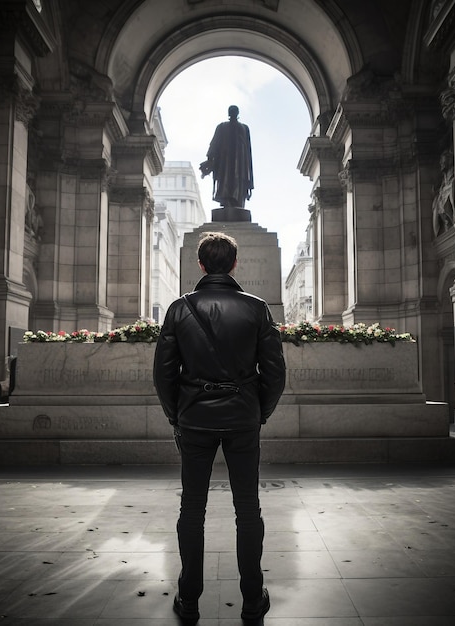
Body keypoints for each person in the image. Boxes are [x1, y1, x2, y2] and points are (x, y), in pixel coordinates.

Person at [153, 231, 286, 623]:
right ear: (233, 264)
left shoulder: (180, 309)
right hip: (242, 417)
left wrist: (176, 415)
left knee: (192, 509)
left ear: (200, 265)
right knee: (248, 510)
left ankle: (189, 598)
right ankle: (251, 598)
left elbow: (163, 374)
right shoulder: (257, 308)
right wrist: (258, 411)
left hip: (194, 418)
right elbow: (275, 372)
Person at [199, 105, 254, 210]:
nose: (232, 113)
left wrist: (249, 180)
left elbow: (248, 153)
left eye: (234, 111)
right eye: (231, 111)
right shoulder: (222, 127)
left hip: (240, 164)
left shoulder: (244, 128)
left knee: (237, 184)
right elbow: (214, 144)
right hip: (225, 164)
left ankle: (237, 203)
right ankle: (228, 203)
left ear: (237, 113)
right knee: (226, 184)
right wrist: (210, 160)